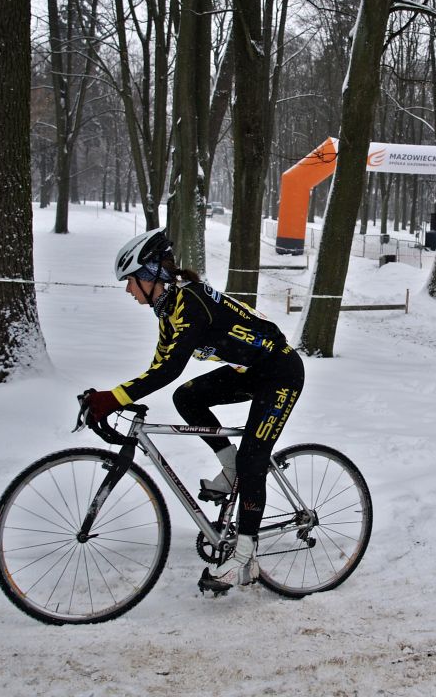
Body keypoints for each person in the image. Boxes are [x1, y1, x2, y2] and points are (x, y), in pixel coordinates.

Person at [83, 228, 304, 595]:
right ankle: (231, 468)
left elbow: (169, 370)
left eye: (131, 281)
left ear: (152, 274)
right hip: (251, 371)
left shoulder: (191, 302)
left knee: (254, 458)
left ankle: (243, 556)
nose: (127, 290)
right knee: (186, 398)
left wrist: (115, 398)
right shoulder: (169, 311)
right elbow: (159, 367)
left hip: (281, 373)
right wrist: (115, 395)